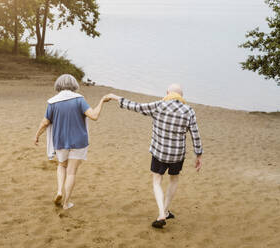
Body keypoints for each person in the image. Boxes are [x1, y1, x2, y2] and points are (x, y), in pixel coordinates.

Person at [106, 84, 203, 229]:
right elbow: (195, 134)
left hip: (159, 152)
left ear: (167, 93)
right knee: (174, 179)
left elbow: (136, 106)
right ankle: (165, 210)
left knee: (157, 181)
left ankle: (161, 213)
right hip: (177, 154)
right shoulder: (189, 111)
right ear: (181, 97)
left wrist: (115, 97)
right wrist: (198, 155)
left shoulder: (159, 105)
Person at [35, 74, 109, 210]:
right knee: (72, 172)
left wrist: (37, 135)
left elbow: (45, 122)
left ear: (58, 85)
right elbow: (94, 116)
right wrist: (102, 102)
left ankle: (59, 191)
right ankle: (66, 202)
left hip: (60, 140)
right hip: (78, 141)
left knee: (62, 165)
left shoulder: (52, 102)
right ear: (74, 84)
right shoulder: (79, 99)